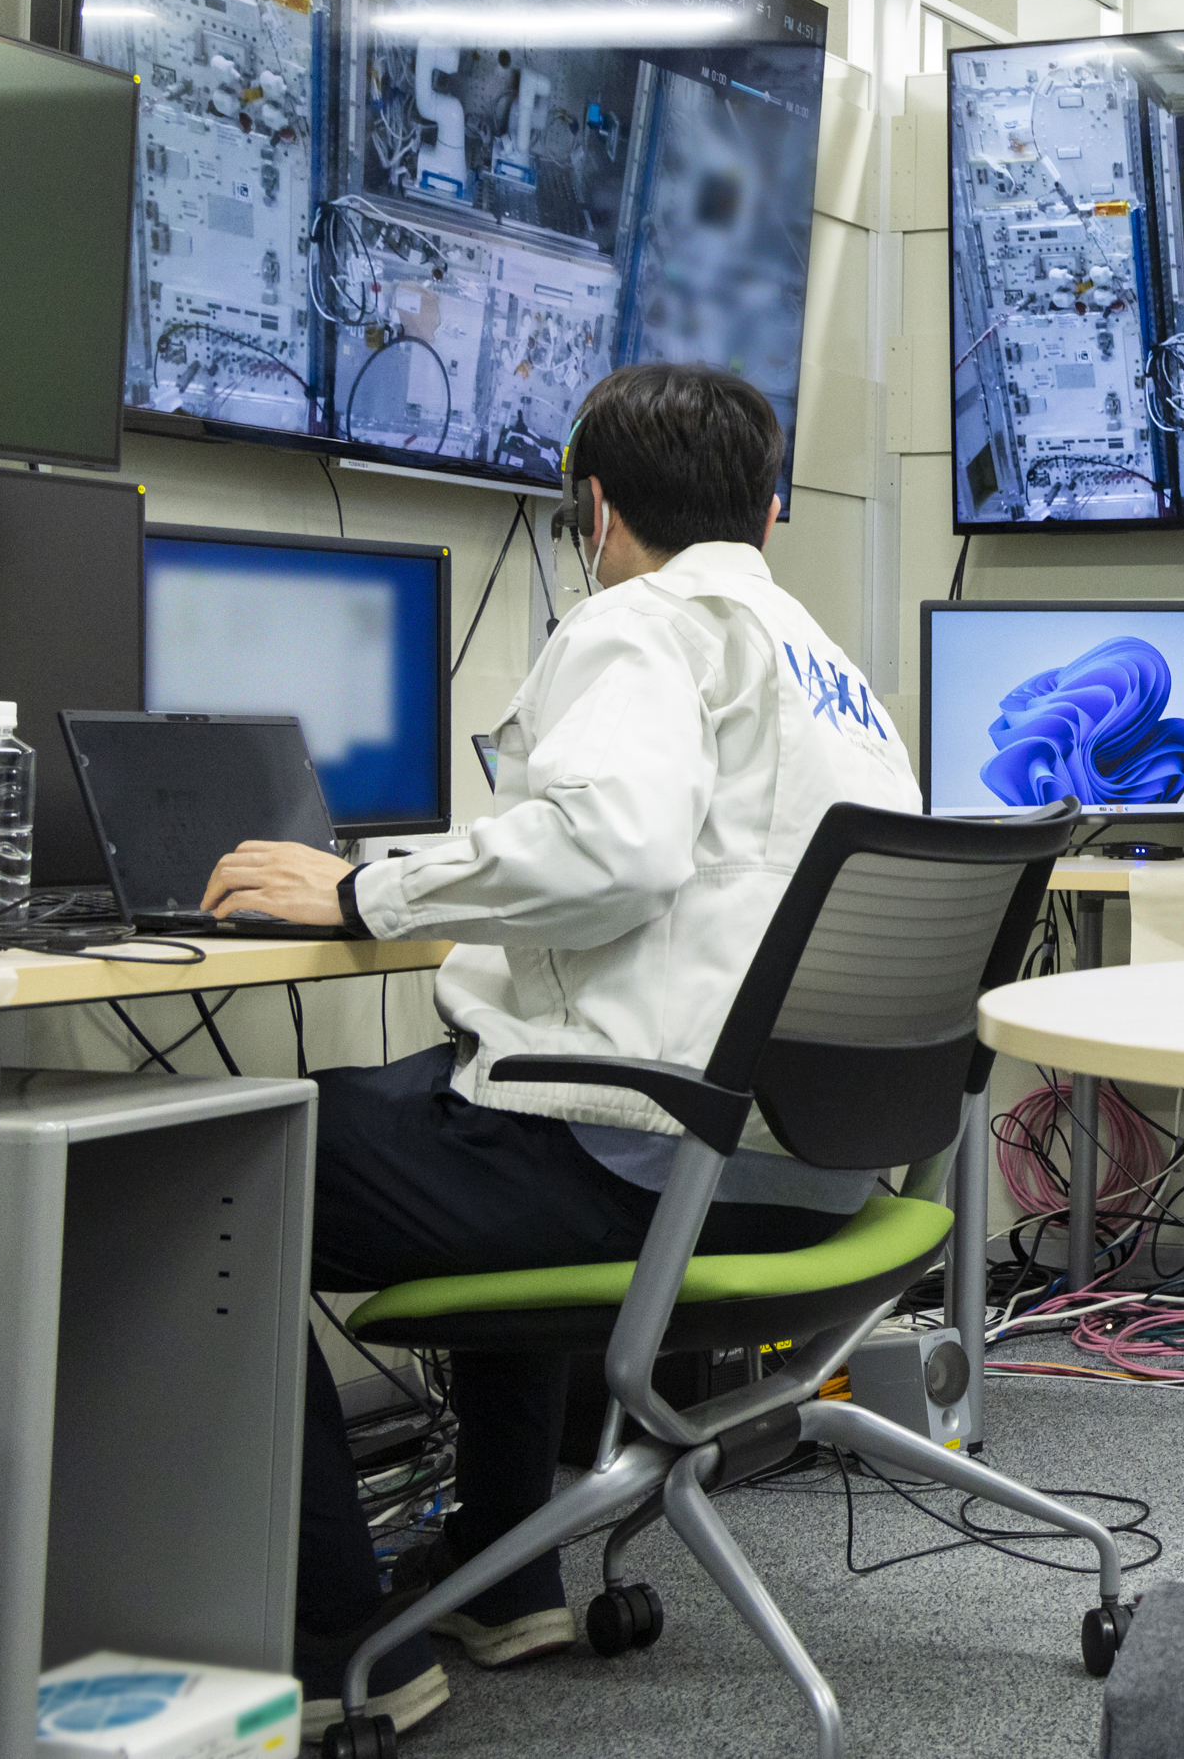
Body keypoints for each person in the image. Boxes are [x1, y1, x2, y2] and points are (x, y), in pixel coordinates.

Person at [200, 363, 917, 1739]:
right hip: (820, 1173)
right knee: (466, 1089)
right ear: (770, 510)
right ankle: (505, 1574)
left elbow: (618, 846)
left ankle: (338, 1638)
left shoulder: (639, 621)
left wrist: (363, 891)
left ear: (594, 510)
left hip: (660, 1161)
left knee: (228, 1163)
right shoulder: (826, 665)